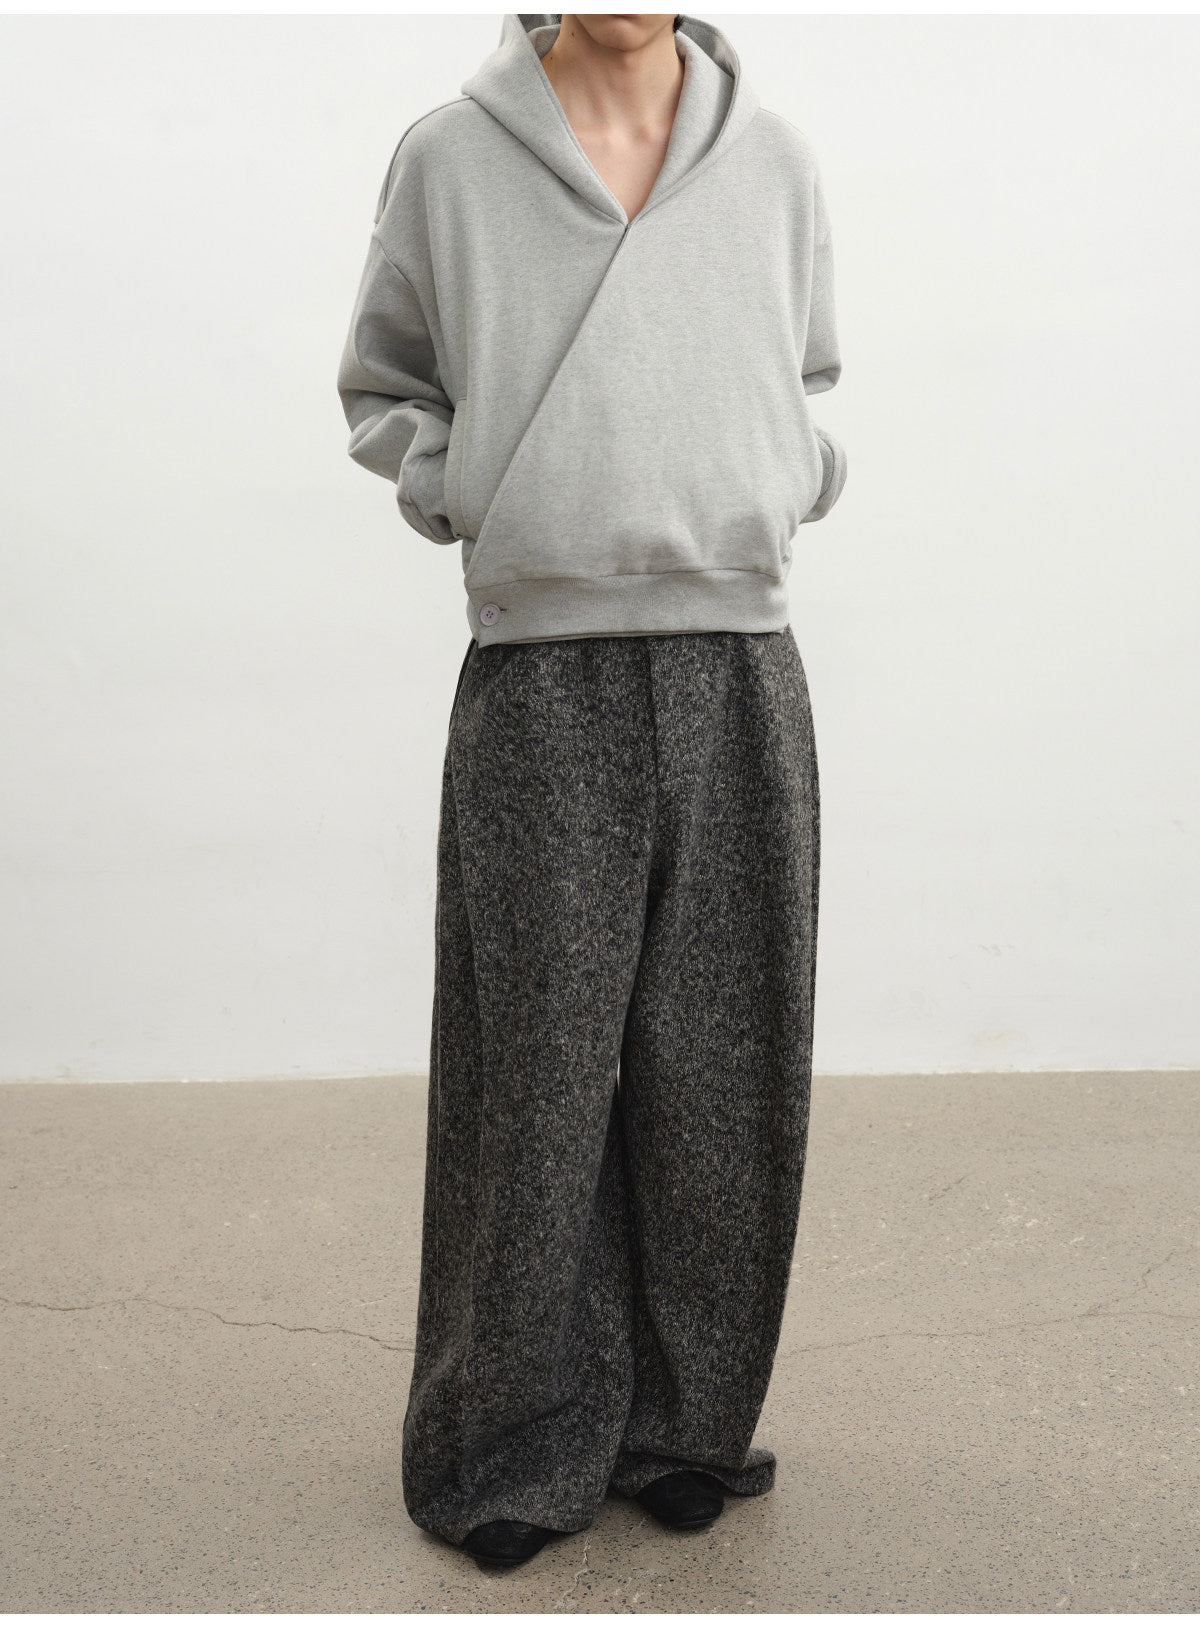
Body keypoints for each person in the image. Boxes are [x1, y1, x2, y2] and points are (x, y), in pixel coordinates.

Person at [336, 11, 847, 1571]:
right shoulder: (450, 156)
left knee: (724, 1071)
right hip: (540, 667)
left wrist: (779, 479)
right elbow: (385, 380)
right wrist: (475, 486)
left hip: (739, 656)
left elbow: (806, 372)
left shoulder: (775, 161)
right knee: (534, 1079)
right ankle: (509, 1442)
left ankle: (687, 1425)